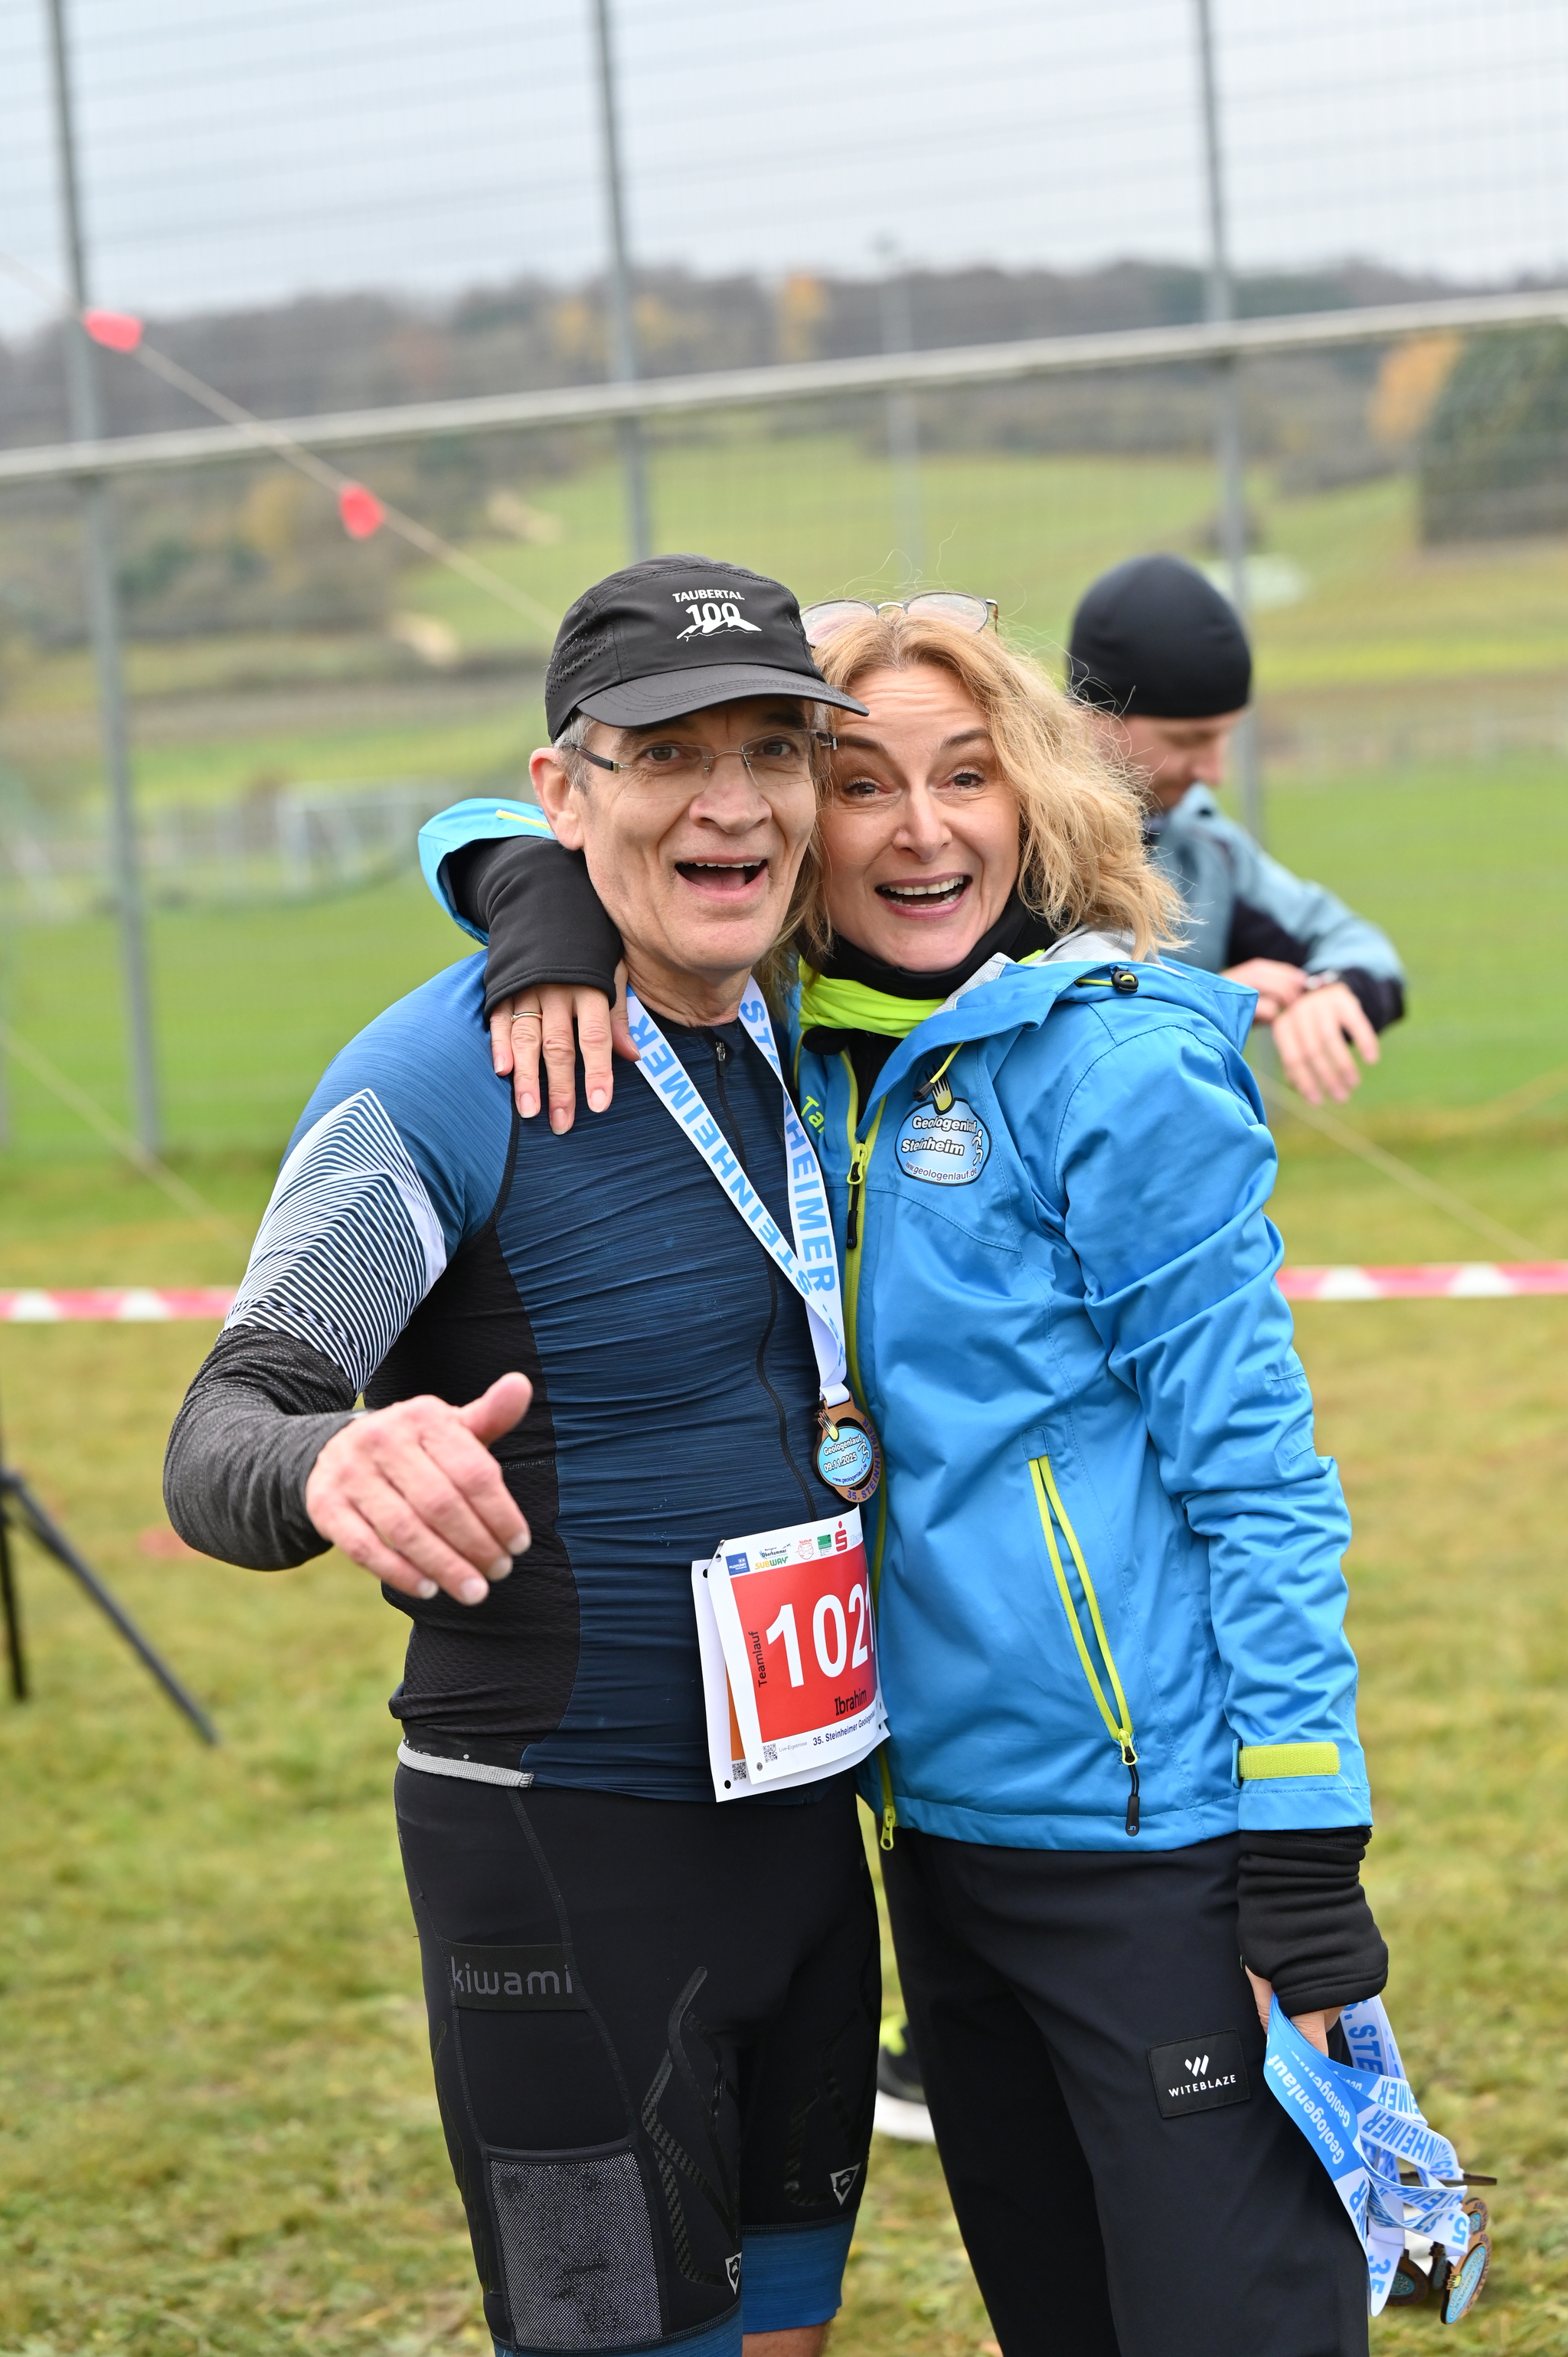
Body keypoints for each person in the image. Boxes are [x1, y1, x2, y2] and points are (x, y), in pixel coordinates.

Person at [416, 590, 1390, 2357]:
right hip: (932, 1844)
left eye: (967, 774)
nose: (921, 829)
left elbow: (1259, 1481)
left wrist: (1303, 1842)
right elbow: (556, 809)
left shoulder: (1121, 1059)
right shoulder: (797, 1043)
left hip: (1150, 1843)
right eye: (861, 782)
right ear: (805, 822)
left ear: (1036, 796)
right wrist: (529, 895)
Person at [162, 556, 886, 2357]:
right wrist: (332, 1462)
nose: (731, 803)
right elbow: (223, 1424)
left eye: (771, 750)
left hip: (804, 1835)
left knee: (788, 2327)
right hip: (566, 1860)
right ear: (563, 791)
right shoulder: (444, 1070)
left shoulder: (809, 1007)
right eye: (668, 756)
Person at [1067, 553, 1406, 1107]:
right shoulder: (999, 846)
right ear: (1091, 716)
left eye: (1224, 736)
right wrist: (1206, 999)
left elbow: (1359, 947)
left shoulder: (1202, 845)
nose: (1214, 772)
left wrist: (1331, 990)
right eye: (1189, 741)